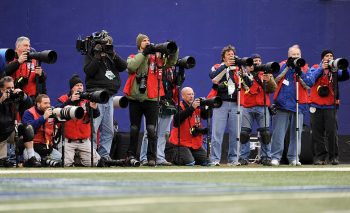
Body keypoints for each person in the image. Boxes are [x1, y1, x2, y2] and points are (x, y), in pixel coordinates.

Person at [123, 33, 178, 166]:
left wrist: (174, 50)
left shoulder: (156, 59)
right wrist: (144, 54)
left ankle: (151, 157)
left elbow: (171, 63)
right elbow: (131, 67)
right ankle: (131, 156)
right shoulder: (132, 57)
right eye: (144, 41)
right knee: (135, 128)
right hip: (135, 98)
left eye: (148, 40)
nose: (147, 42)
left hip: (152, 99)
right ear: (139, 44)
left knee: (151, 129)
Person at [83, 30, 127, 161]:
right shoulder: (90, 55)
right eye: (105, 43)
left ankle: (104, 154)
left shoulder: (110, 55)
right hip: (97, 95)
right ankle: (91, 154)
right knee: (93, 128)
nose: (106, 46)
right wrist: (96, 55)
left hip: (109, 96)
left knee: (109, 130)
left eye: (109, 44)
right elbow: (88, 71)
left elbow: (123, 66)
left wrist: (112, 53)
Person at [270, 44, 316, 166]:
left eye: (297, 55)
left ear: (300, 56)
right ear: (288, 56)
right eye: (293, 55)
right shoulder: (282, 64)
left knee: (296, 133)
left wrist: (299, 71)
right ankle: (275, 157)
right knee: (278, 133)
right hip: (282, 104)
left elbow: (309, 84)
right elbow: (275, 79)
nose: (295, 57)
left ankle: (294, 157)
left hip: (299, 104)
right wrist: (287, 66)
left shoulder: (305, 67)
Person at [309, 50, 350, 165]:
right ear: (322, 58)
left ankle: (333, 157)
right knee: (317, 134)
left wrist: (343, 66)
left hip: (330, 106)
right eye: (327, 56)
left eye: (331, 56)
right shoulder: (315, 67)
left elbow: (346, 76)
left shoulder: (335, 70)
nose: (329, 58)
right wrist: (321, 68)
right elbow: (311, 79)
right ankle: (320, 158)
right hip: (315, 106)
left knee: (332, 132)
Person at [208, 45, 243, 166]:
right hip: (220, 103)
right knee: (217, 133)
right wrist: (225, 66)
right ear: (223, 57)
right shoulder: (218, 66)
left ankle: (233, 159)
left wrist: (242, 69)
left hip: (235, 104)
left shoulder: (238, 69)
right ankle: (214, 159)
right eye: (228, 54)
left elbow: (247, 83)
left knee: (235, 134)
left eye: (232, 54)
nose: (231, 56)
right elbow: (213, 77)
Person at [239, 54, 277, 166]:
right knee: (244, 133)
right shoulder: (244, 73)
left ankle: (266, 157)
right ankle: (243, 157)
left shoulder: (266, 73)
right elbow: (242, 87)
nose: (257, 63)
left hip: (263, 105)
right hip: (247, 105)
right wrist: (248, 73)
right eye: (254, 61)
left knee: (265, 133)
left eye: (259, 61)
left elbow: (272, 89)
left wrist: (268, 80)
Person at [57, 74, 101, 167]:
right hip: (68, 140)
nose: (80, 87)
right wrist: (70, 101)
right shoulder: (64, 99)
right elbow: (57, 113)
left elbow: (96, 115)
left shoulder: (87, 99)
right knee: (66, 164)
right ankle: (72, 158)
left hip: (84, 141)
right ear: (72, 88)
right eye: (77, 85)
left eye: (81, 85)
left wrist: (95, 108)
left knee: (93, 163)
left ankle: (77, 159)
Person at [139, 66, 177, 166]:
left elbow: (176, 85)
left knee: (163, 134)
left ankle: (159, 157)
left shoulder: (171, 70)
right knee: (149, 132)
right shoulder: (153, 66)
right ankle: (144, 158)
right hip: (154, 102)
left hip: (168, 103)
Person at [0, 76, 41, 167]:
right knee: (3, 164)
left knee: (27, 128)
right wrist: (1, 100)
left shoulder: (14, 98)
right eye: (8, 88)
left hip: (9, 131)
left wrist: (24, 96)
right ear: (1, 89)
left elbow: (30, 105)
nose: (11, 90)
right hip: (0, 135)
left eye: (12, 88)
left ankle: (31, 158)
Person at [165, 87, 209, 166]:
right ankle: (173, 155)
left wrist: (206, 108)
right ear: (183, 96)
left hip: (194, 143)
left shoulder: (197, 107)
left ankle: (190, 156)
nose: (191, 96)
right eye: (189, 94)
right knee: (190, 163)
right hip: (180, 143)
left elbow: (206, 117)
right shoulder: (179, 106)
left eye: (192, 94)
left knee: (207, 162)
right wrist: (192, 108)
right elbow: (176, 121)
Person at [1, 36, 47, 102]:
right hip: (14, 97)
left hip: (32, 99)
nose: (28, 48)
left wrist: (41, 74)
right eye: (25, 45)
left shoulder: (34, 59)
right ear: (18, 47)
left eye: (29, 46)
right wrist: (18, 62)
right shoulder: (10, 57)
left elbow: (42, 81)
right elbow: (4, 72)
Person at [22, 94, 62, 166]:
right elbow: (29, 128)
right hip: (32, 146)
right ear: (38, 104)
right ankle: (44, 161)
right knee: (35, 160)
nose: (48, 105)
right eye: (45, 103)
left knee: (59, 157)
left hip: (47, 147)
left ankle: (44, 161)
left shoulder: (52, 112)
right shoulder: (28, 112)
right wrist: (43, 118)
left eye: (49, 103)